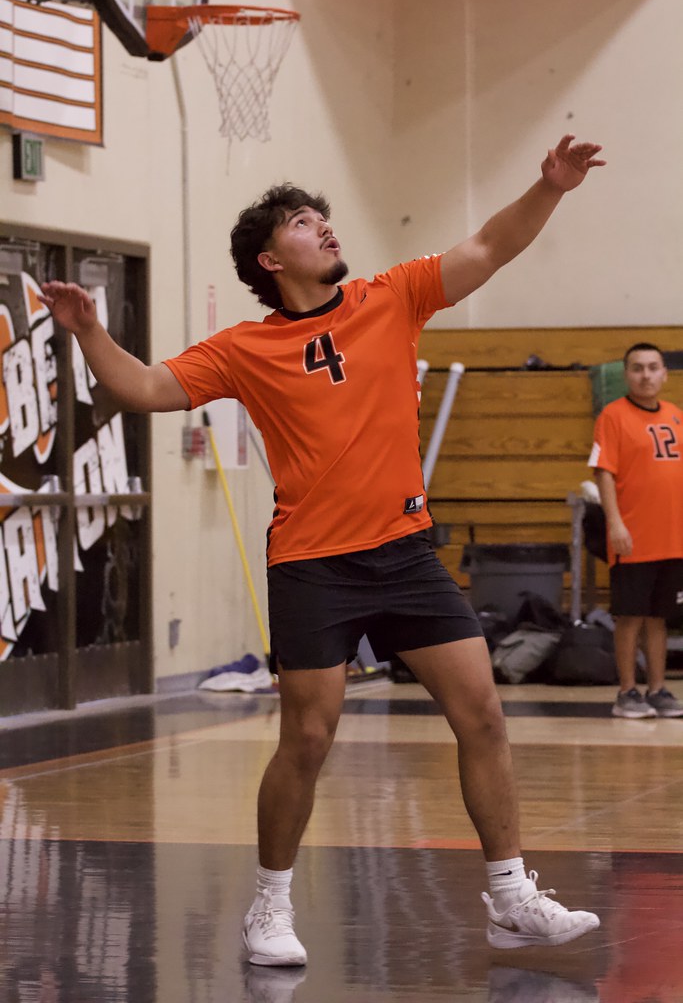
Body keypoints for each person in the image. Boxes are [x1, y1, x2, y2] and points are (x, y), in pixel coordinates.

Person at [39, 133, 604, 966]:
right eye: (307, 223)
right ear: (271, 259)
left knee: (482, 714)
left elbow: (488, 246)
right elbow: (149, 388)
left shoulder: (393, 296)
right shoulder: (243, 347)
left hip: (407, 551)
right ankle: (268, 905)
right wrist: (88, 332)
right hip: (312, 563)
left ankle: (510, 894)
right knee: (306, 738)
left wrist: (547, 187)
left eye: (324, 218)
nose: (327, 228)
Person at [589, 343, 683, 719]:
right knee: (630, 616)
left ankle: (658, 690)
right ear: (626, 374)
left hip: (672, 537)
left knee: (659, 617)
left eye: (653, 367)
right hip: (633, 536)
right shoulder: (612, 416)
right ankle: (627, 692)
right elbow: (604, 472)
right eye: (637, 368)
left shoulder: (676, 416)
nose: (646, 375)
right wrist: (615, 522)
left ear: (664, 373)